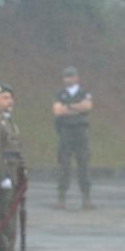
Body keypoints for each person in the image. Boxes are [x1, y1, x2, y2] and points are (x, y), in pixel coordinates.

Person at [0, 85, 24, 251]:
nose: (9, 101)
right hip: (2, 175)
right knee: (2, 215)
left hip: (14, 172)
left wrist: (22, 171)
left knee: (11, 216)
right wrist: (2, 176)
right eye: (4, 98)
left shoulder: (10, 122)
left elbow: (16, 150)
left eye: (10, 97)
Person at [53, 66, 93, 209]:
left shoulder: (84, 92)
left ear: (77, 78)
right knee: (64, 164)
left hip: (80, 132)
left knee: (83, 164)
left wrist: (67, 108)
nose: (68, 79)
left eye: (71, 76)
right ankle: (61, 197)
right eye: (66, 77)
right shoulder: (60, 93)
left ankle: (86, 197)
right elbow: (57, 111)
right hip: (65, 132)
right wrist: (77, 108)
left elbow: (87, 106)